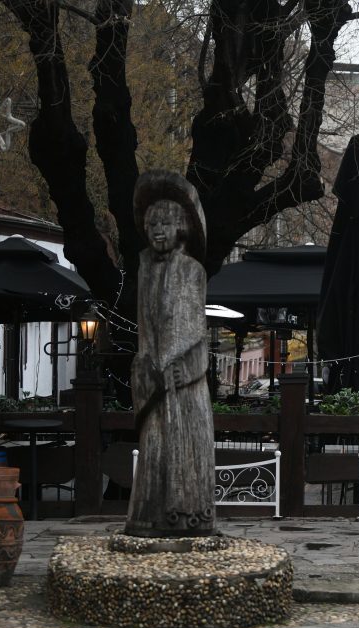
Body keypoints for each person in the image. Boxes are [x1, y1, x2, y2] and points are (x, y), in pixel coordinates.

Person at [127, 171, 216, 538]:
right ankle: (146, 518)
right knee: (153, 452)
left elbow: (200, 337)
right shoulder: (144, 266)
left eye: (165, 222)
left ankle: (191, 518)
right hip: (153, 381)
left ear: (181, 226)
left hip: (185, 386)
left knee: (186, 457)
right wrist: (145, 369)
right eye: (152, 223)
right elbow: (145, 330)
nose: (157, 230)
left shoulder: (193, 271)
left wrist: (188, 368)